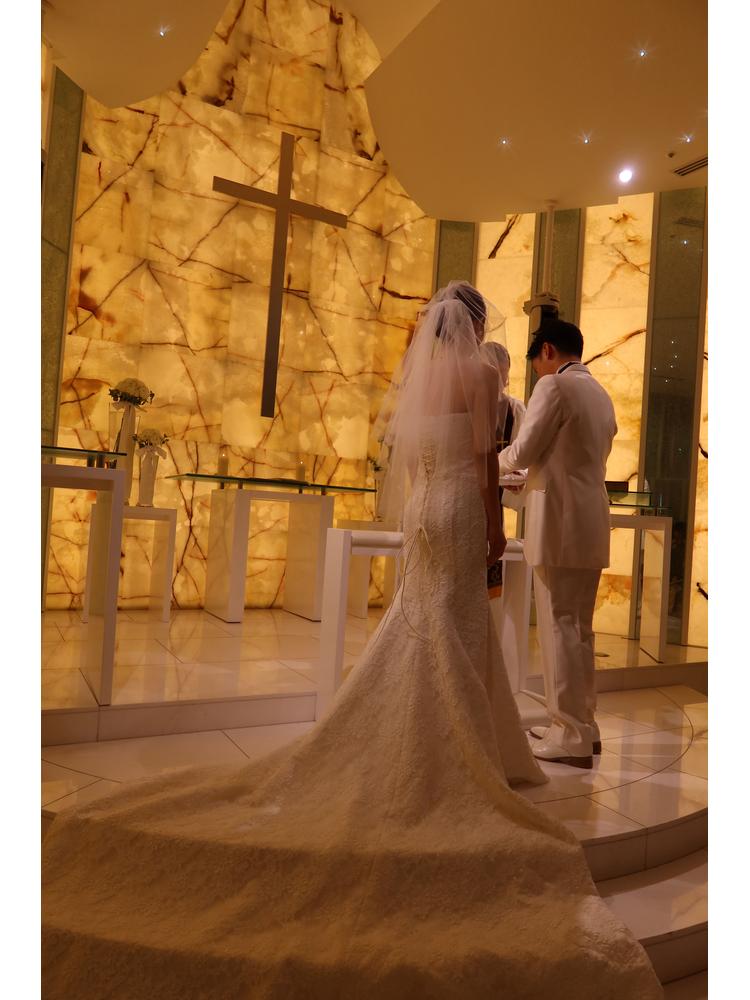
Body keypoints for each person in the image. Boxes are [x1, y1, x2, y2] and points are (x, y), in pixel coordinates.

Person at [42, 286, 660, 999]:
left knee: (422, 620)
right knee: (461, 626)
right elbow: (487, 458)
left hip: (425, 508)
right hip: (465, 507)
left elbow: (420, 457)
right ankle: (465, 742)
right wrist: (493, 524)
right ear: (476, 326)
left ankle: (435, 727)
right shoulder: (493, 376)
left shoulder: (423, 376)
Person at [497, 319, 617, 769]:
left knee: (560, 626)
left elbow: (524, 450)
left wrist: (487, 462)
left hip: (560, 521)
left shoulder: (554, 387)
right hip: (591, 519)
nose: (537, 374)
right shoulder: (600, 393)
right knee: (580, 628)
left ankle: (569, 734)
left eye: (536, 364)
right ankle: (585, 726)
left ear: (546, 350)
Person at [480, 341, 527, 594]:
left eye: (503, 375)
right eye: (495, 374)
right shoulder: (463, 405)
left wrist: (519, 475)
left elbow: (525, 454)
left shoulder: (514, 409)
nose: (500, 382)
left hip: (494, 498)